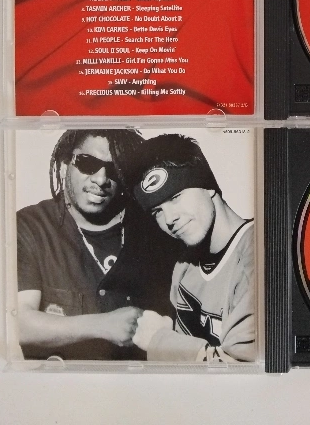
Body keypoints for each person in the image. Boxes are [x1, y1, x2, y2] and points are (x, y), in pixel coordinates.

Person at [16, 128, 177, 361]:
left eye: (114, 170)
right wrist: (103, 325)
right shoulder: (32, 227)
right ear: (64, 165)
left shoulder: (155, 229)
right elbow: (19, 324)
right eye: (88, 163)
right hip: (61, 381)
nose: (101, 180)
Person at [128, 134, 255, 362]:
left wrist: (159, 340)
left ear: (208, 186)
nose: (169, 219)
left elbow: (243, 368)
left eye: (175, 197)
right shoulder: (184, 269)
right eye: (157, 211)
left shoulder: (258, 257)